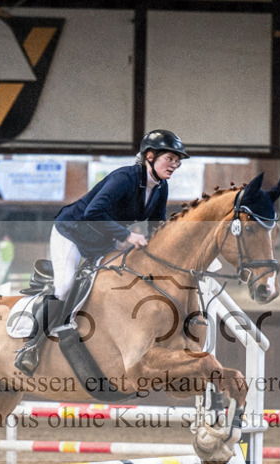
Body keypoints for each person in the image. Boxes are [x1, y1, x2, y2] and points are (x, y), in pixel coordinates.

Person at [14, 129, 189, 376]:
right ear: (150, 156)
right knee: (64, 286)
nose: (175, 164)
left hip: (103, 241)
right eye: (170, 159)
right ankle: (31, 347)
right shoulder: (124, 178)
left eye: (177, 161)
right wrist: (127, 235)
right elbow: (93, 213)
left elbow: (156, 226)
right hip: (72, 232)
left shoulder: (161, 188)